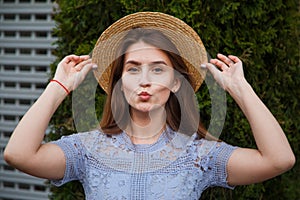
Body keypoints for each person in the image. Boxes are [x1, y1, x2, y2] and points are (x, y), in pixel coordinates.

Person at [4, 12, 295, 199]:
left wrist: (240, 89)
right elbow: (19, 155)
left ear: (176, 82)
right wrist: (59, 87)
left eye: (158, 69)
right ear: (119, 81)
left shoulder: (197, 154)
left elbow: (279, 160)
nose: (144, 80)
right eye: (132, 69)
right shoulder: (89, 149)